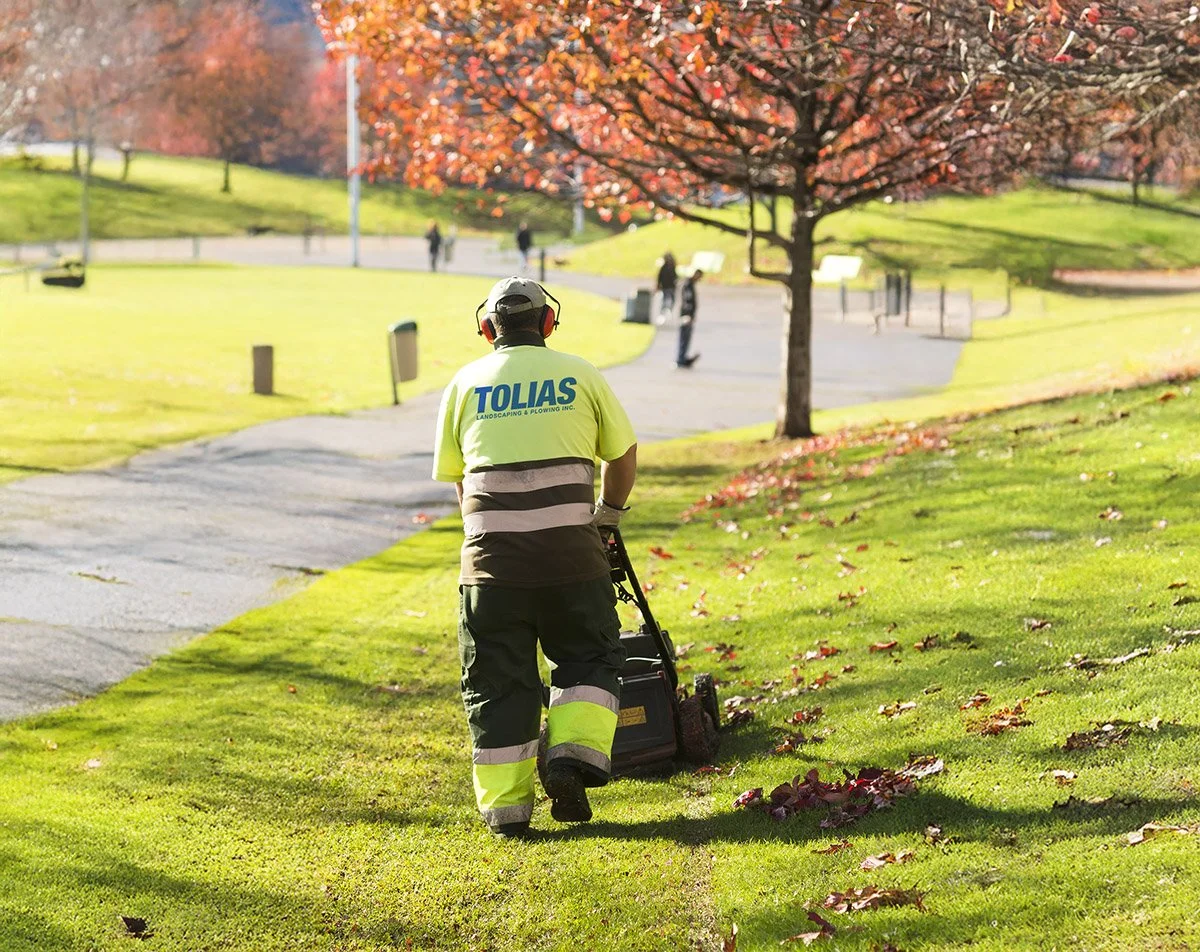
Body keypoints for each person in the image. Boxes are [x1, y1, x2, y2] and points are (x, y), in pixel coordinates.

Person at [433, 275, 638, 839]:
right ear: (548, 323)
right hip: (573, 560)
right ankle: (570, 759)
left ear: (486, 328)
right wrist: (609, 515)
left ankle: (507, 813)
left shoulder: (465, 384)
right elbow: (622, 456)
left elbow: (459, 482)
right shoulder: (581, 373)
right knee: (588, 658)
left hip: (491, 570)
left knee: (497, 683)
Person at [677, 268, 702, 368]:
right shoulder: (688, 285)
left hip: (687, 315)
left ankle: (682, 357)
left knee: (686, 338)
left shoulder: (690, 284)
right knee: (684, 337)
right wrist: (688, 315)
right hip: (686, 316)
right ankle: (681, 359)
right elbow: (688, 301)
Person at [655, 251, 677, 324]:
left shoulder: (672, 267)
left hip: (671, 287)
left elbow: (675, 277)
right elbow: (660, 277)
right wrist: (658, 286)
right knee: (664, 300)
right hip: (665, 287)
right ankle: (662, 313)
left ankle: (669, 311)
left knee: (672, 300)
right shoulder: (664, 267)